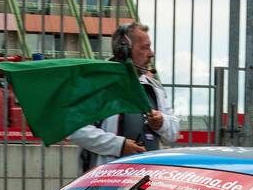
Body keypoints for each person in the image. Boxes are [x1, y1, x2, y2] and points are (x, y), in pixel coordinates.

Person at [68, 22, 179, 171]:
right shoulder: (97, 84)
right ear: (124, 51)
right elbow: (76, 129)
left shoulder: (154, 88)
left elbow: (173, 133)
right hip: (104, 181)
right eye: (144, 47)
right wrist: (119, 146)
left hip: (144, 182)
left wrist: (161, 123)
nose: (151, 53)